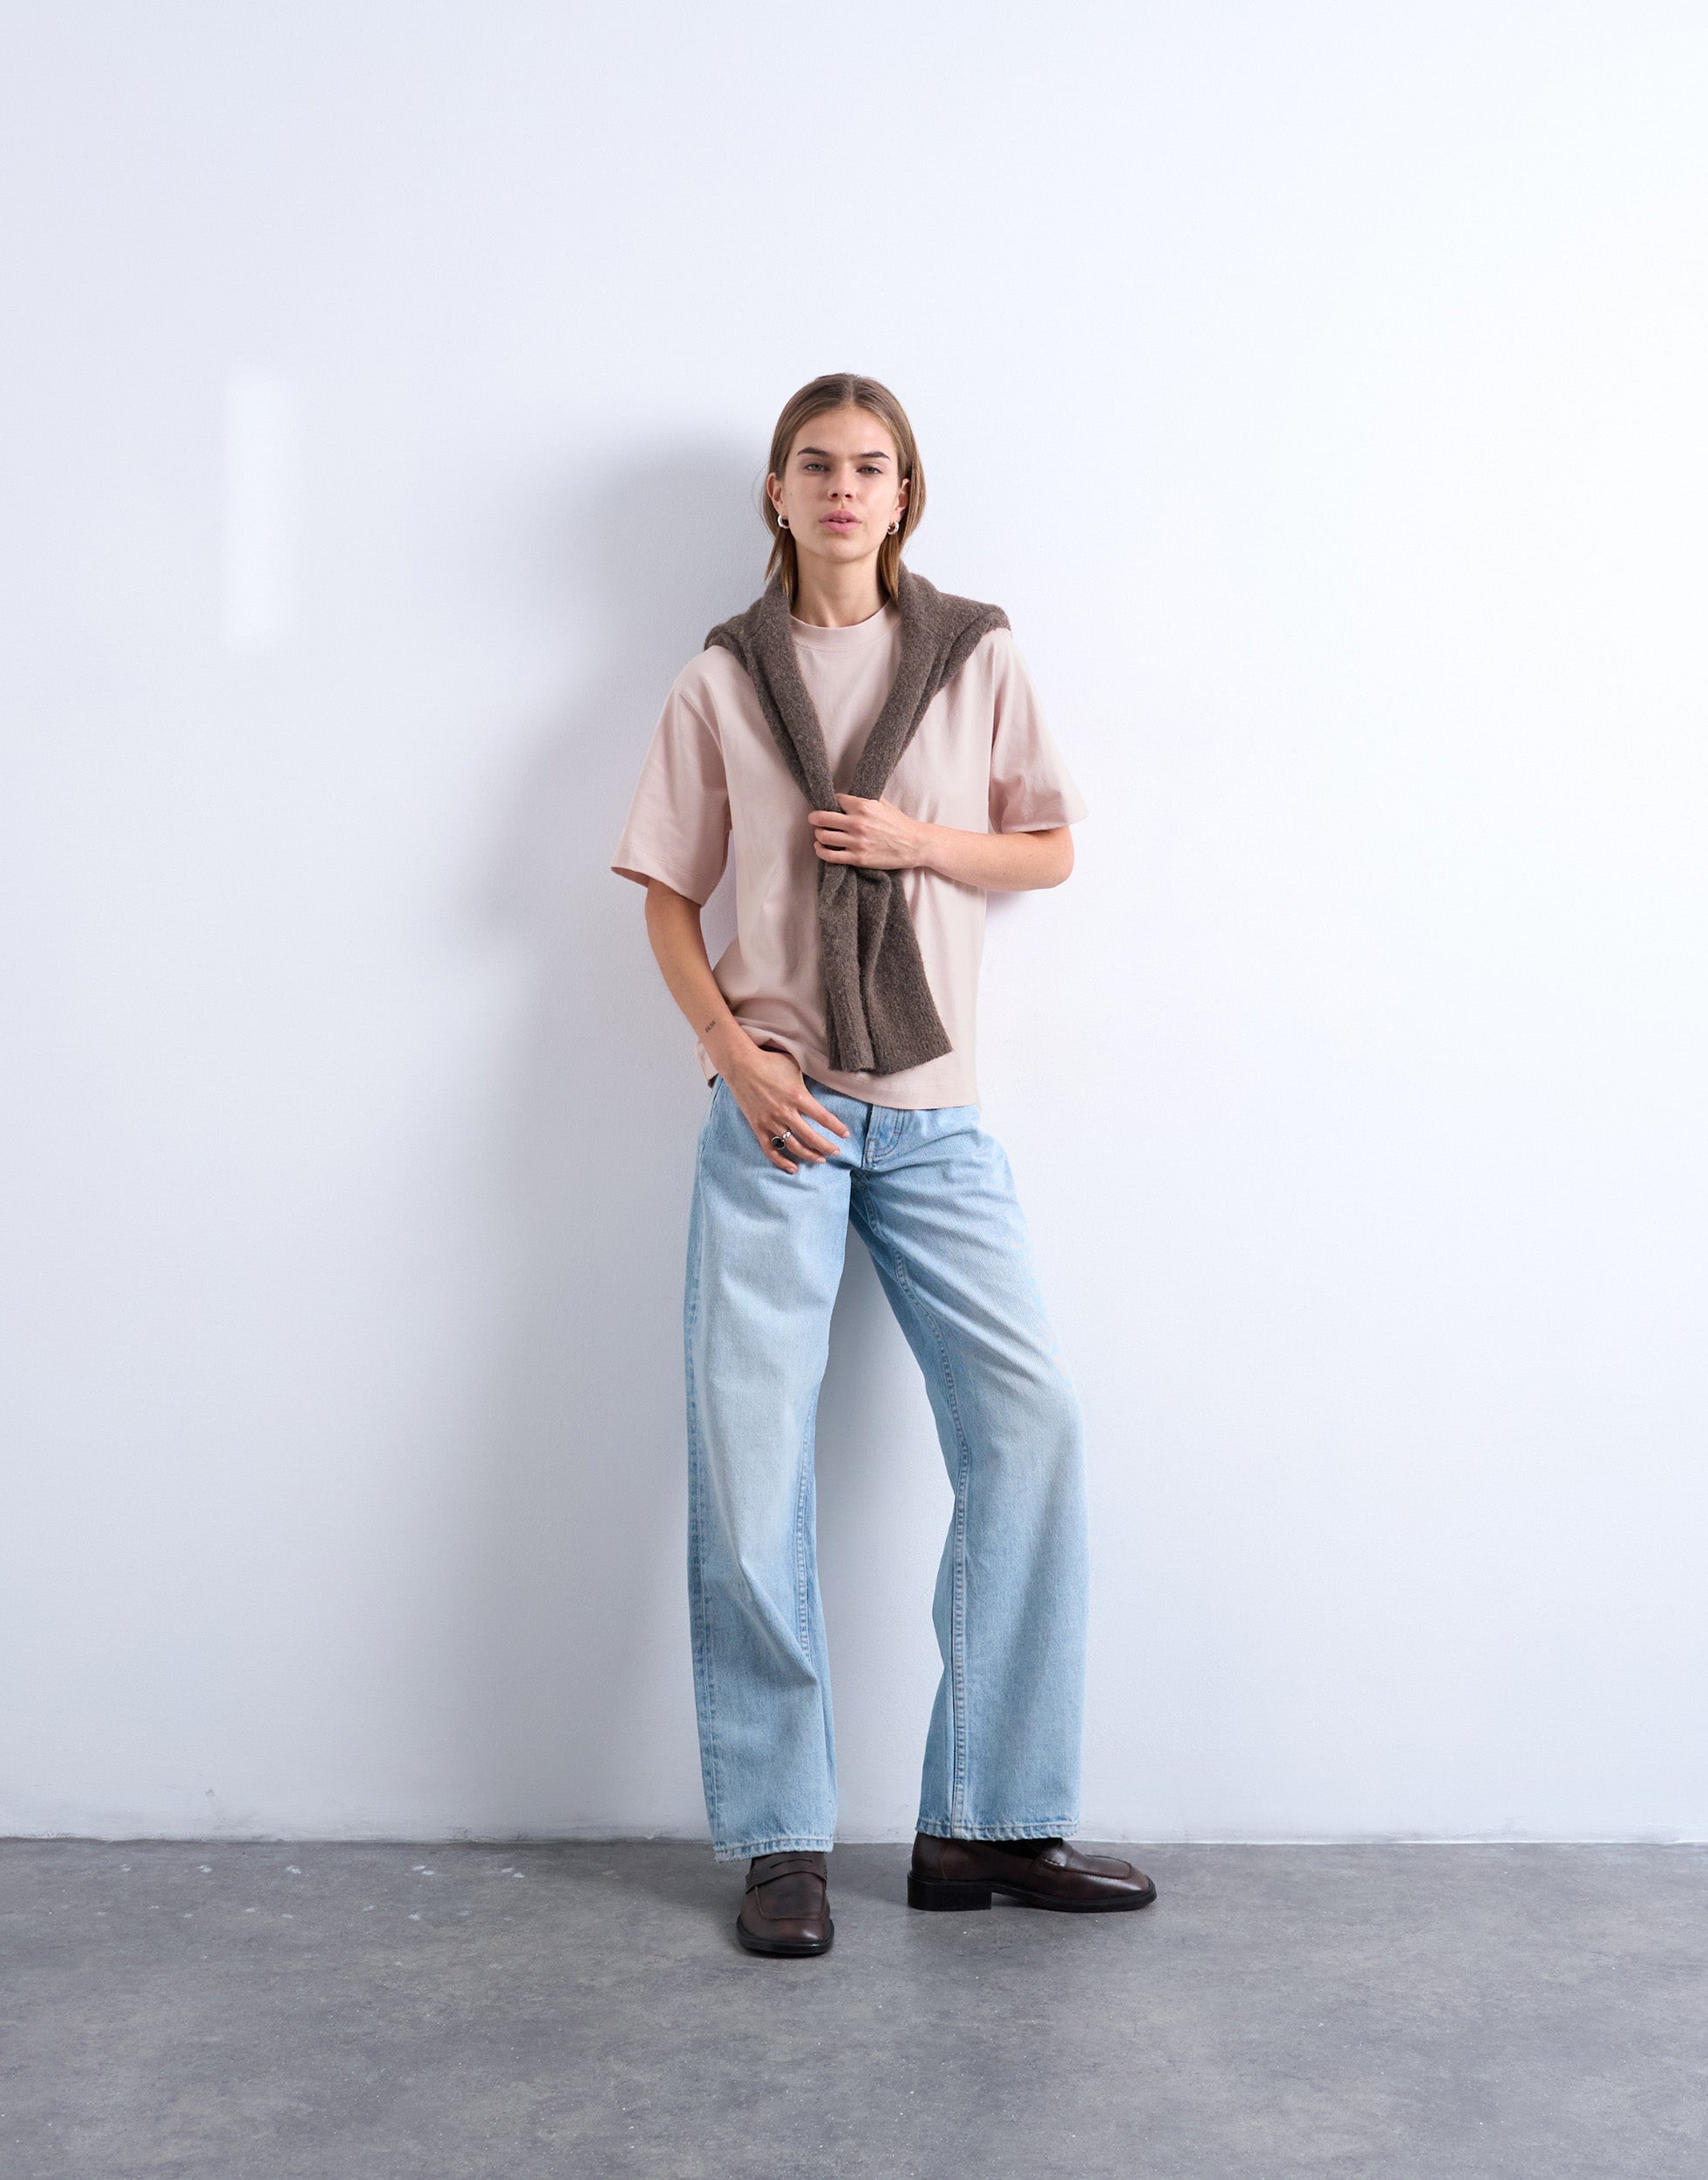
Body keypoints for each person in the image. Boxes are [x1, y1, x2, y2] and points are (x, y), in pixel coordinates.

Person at [609, 372, 1155, 1957]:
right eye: (815, 465)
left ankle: (985, 1822)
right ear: (778, 494)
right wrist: (731, 1050)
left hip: (931, 1113)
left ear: (904, 494)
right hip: (778, 1110)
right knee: (752, 1465)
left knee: (1031, 1425)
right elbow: (667, 895)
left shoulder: (975, 652)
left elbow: (1049, 846)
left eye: (871, 465)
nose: (843, 488)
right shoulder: (723, 677)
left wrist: (919, 844)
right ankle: (781, 1841)